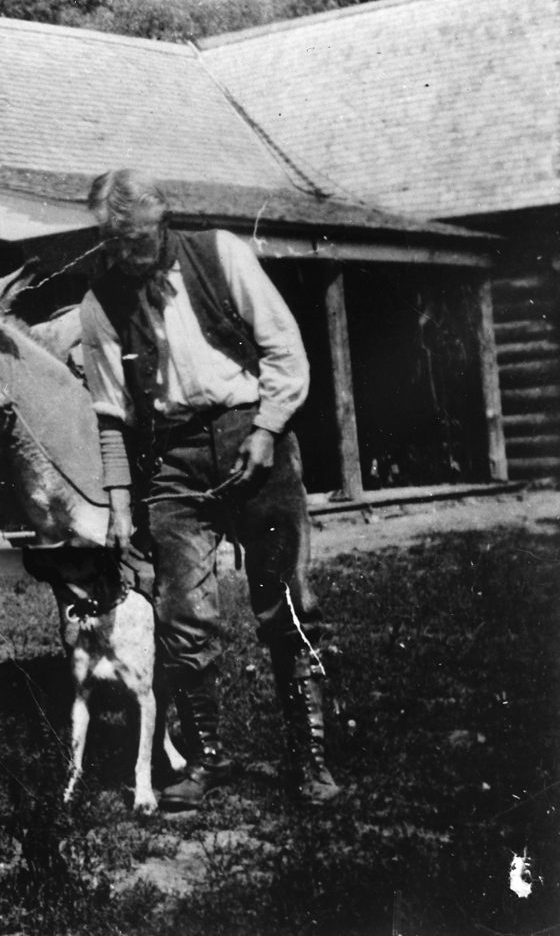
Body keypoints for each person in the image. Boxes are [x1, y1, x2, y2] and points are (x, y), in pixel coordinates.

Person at [79, 169, 341, 807]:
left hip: (253, 435)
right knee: (184, 616)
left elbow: (286, 349)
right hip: (172, 460)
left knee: (285, 604)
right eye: (113, 240)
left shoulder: (221, 254)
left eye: (137, 236)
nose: (126, 252)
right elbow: (111, 416)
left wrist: (267, 429)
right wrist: (118, 503)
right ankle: (205, 763)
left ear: (160, 221)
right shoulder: (100, 304)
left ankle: (310, 763)